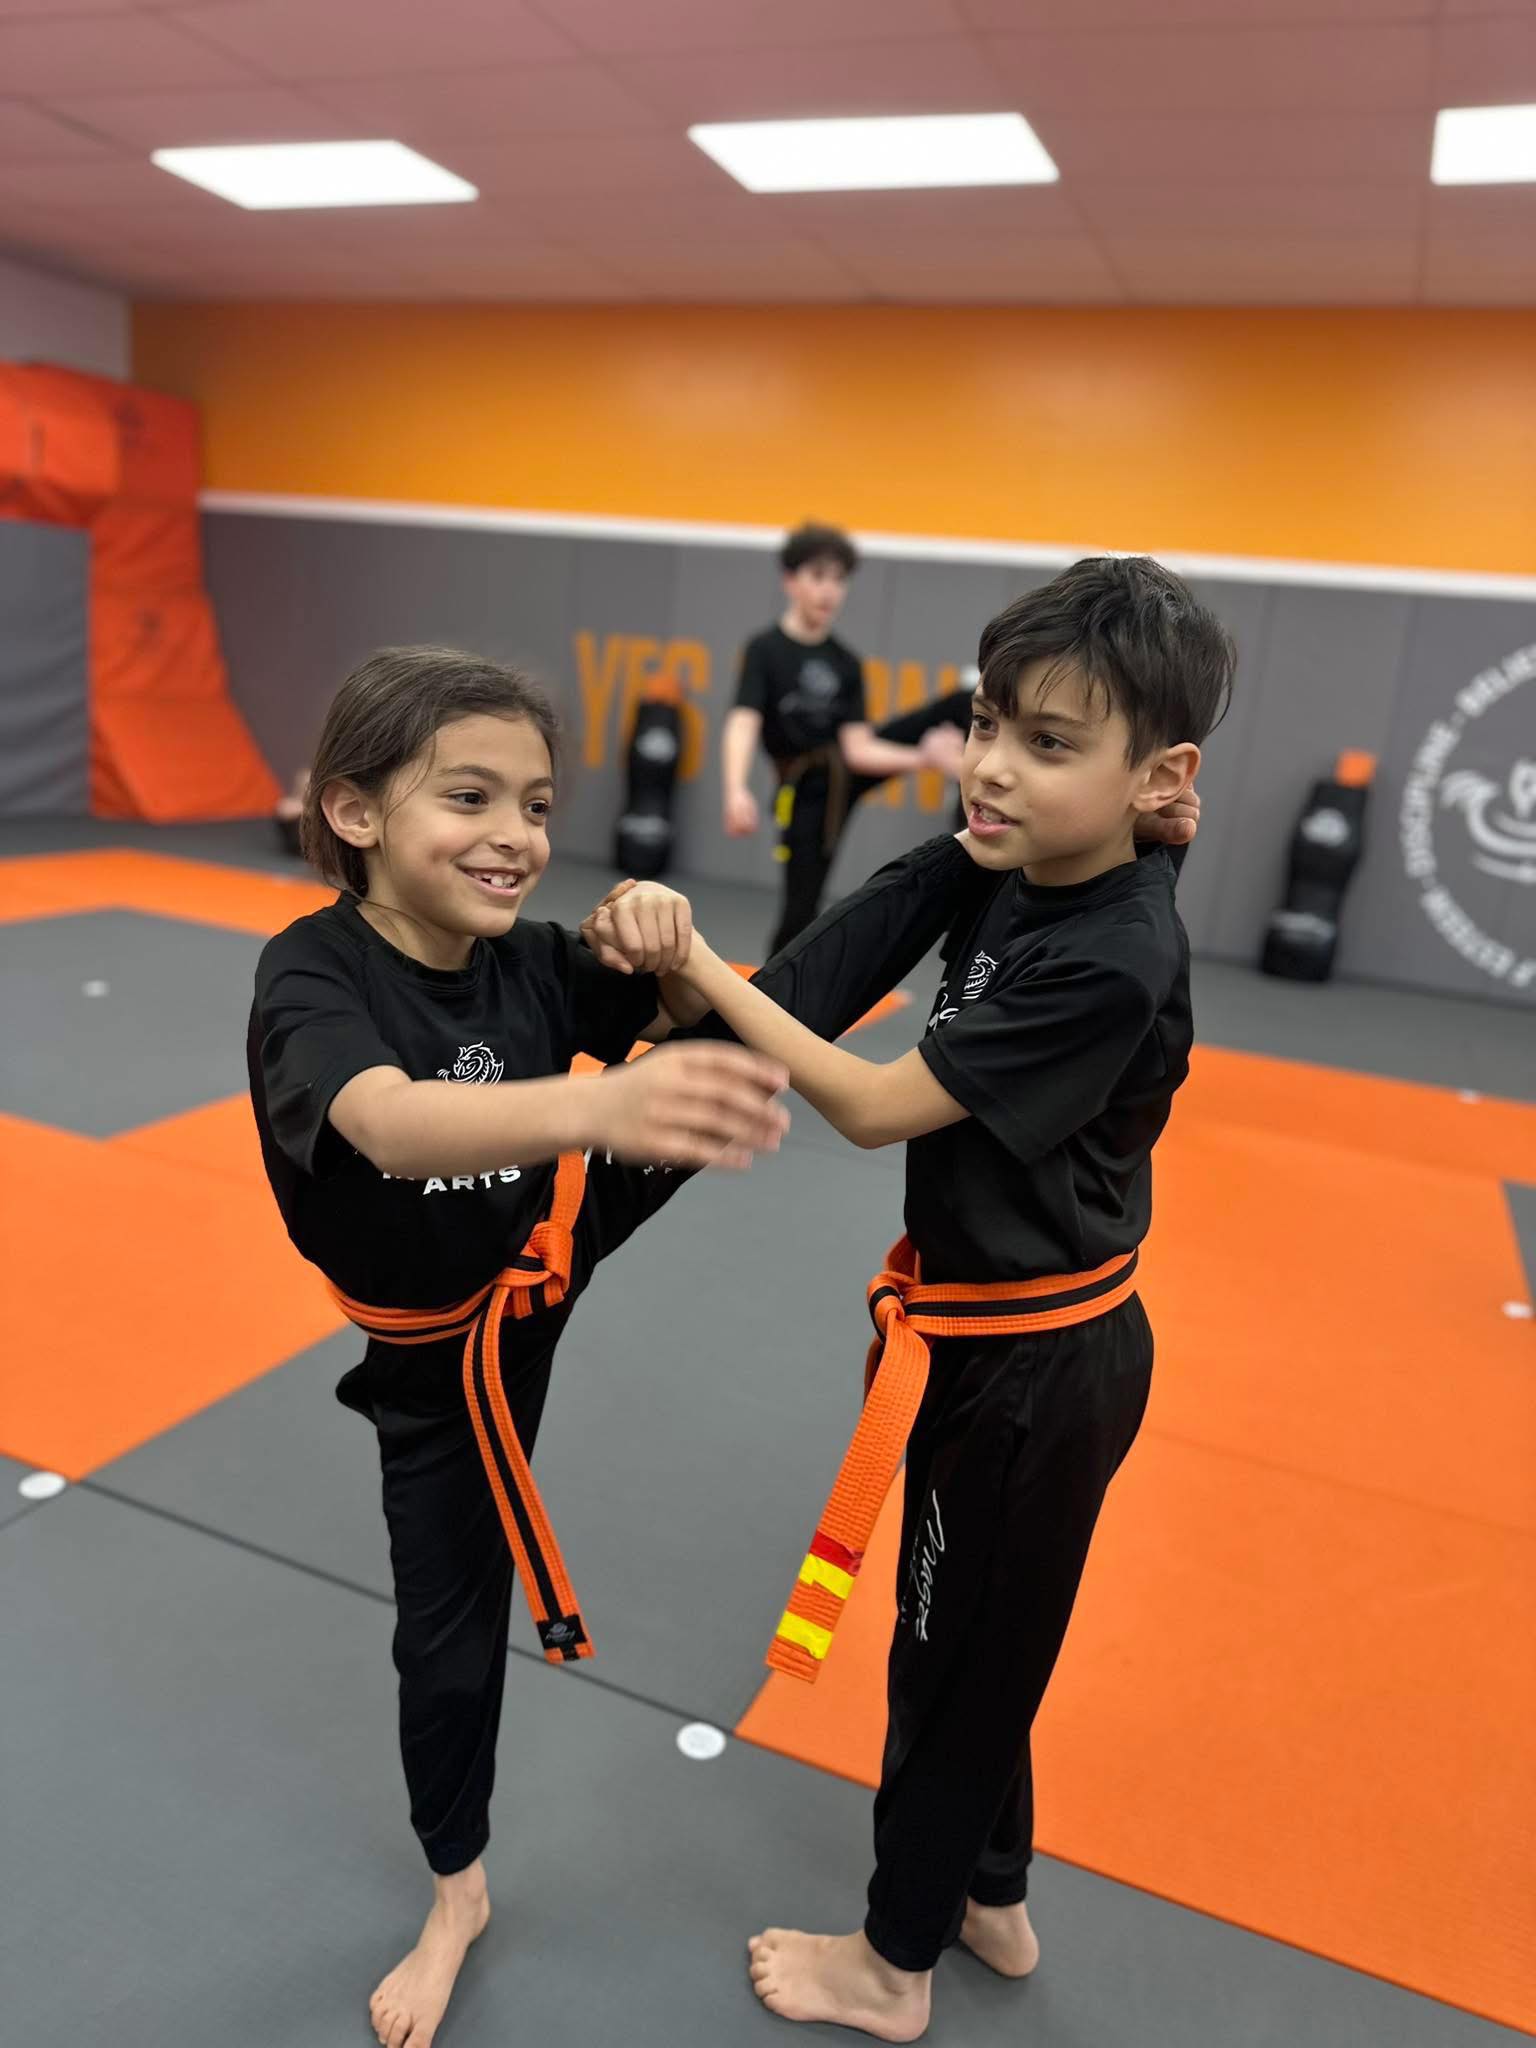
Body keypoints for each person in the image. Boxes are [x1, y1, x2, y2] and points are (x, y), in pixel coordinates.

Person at [589, 555, 1230, 2042]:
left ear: (1159, 776)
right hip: (998, 1348)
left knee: (945, 1667)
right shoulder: (1032, 862)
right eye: (989, 720)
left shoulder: (1115, 949)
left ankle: (891, 1966)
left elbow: (877, 1106)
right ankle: (990, 1893)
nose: (991, 767)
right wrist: (691, 986)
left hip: (1032, 1370)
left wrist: (697, 965)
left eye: (1048, 745)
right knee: (987, 1647)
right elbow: (869, 946)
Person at [246, 646, 791, 2048]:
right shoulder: (314, 971)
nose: (516, 839)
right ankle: (457, 1893)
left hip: (545, 1243)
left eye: (539, 806)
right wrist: (598, 1110)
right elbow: (384, 1123)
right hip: (442, 1357)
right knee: (444, 1644)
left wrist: (671, 942)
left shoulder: (534, 962)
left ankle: (968, 877)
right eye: (472, 797)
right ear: (357, 813)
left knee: (782, 996)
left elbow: (668, 1011)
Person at [721, 523, 970, 954]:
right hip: (806, 791)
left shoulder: (846, 662)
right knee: (802, 908)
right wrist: (735, 789)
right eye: (818, 577)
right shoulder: (766, 650)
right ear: (790, 580)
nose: (829, 591)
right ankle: (766, 1001)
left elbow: (858, 749)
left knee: (962, 701)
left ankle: (975, 803)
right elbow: (743, 721)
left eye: (839, 580)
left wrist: (930, 758)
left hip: (846, 769)